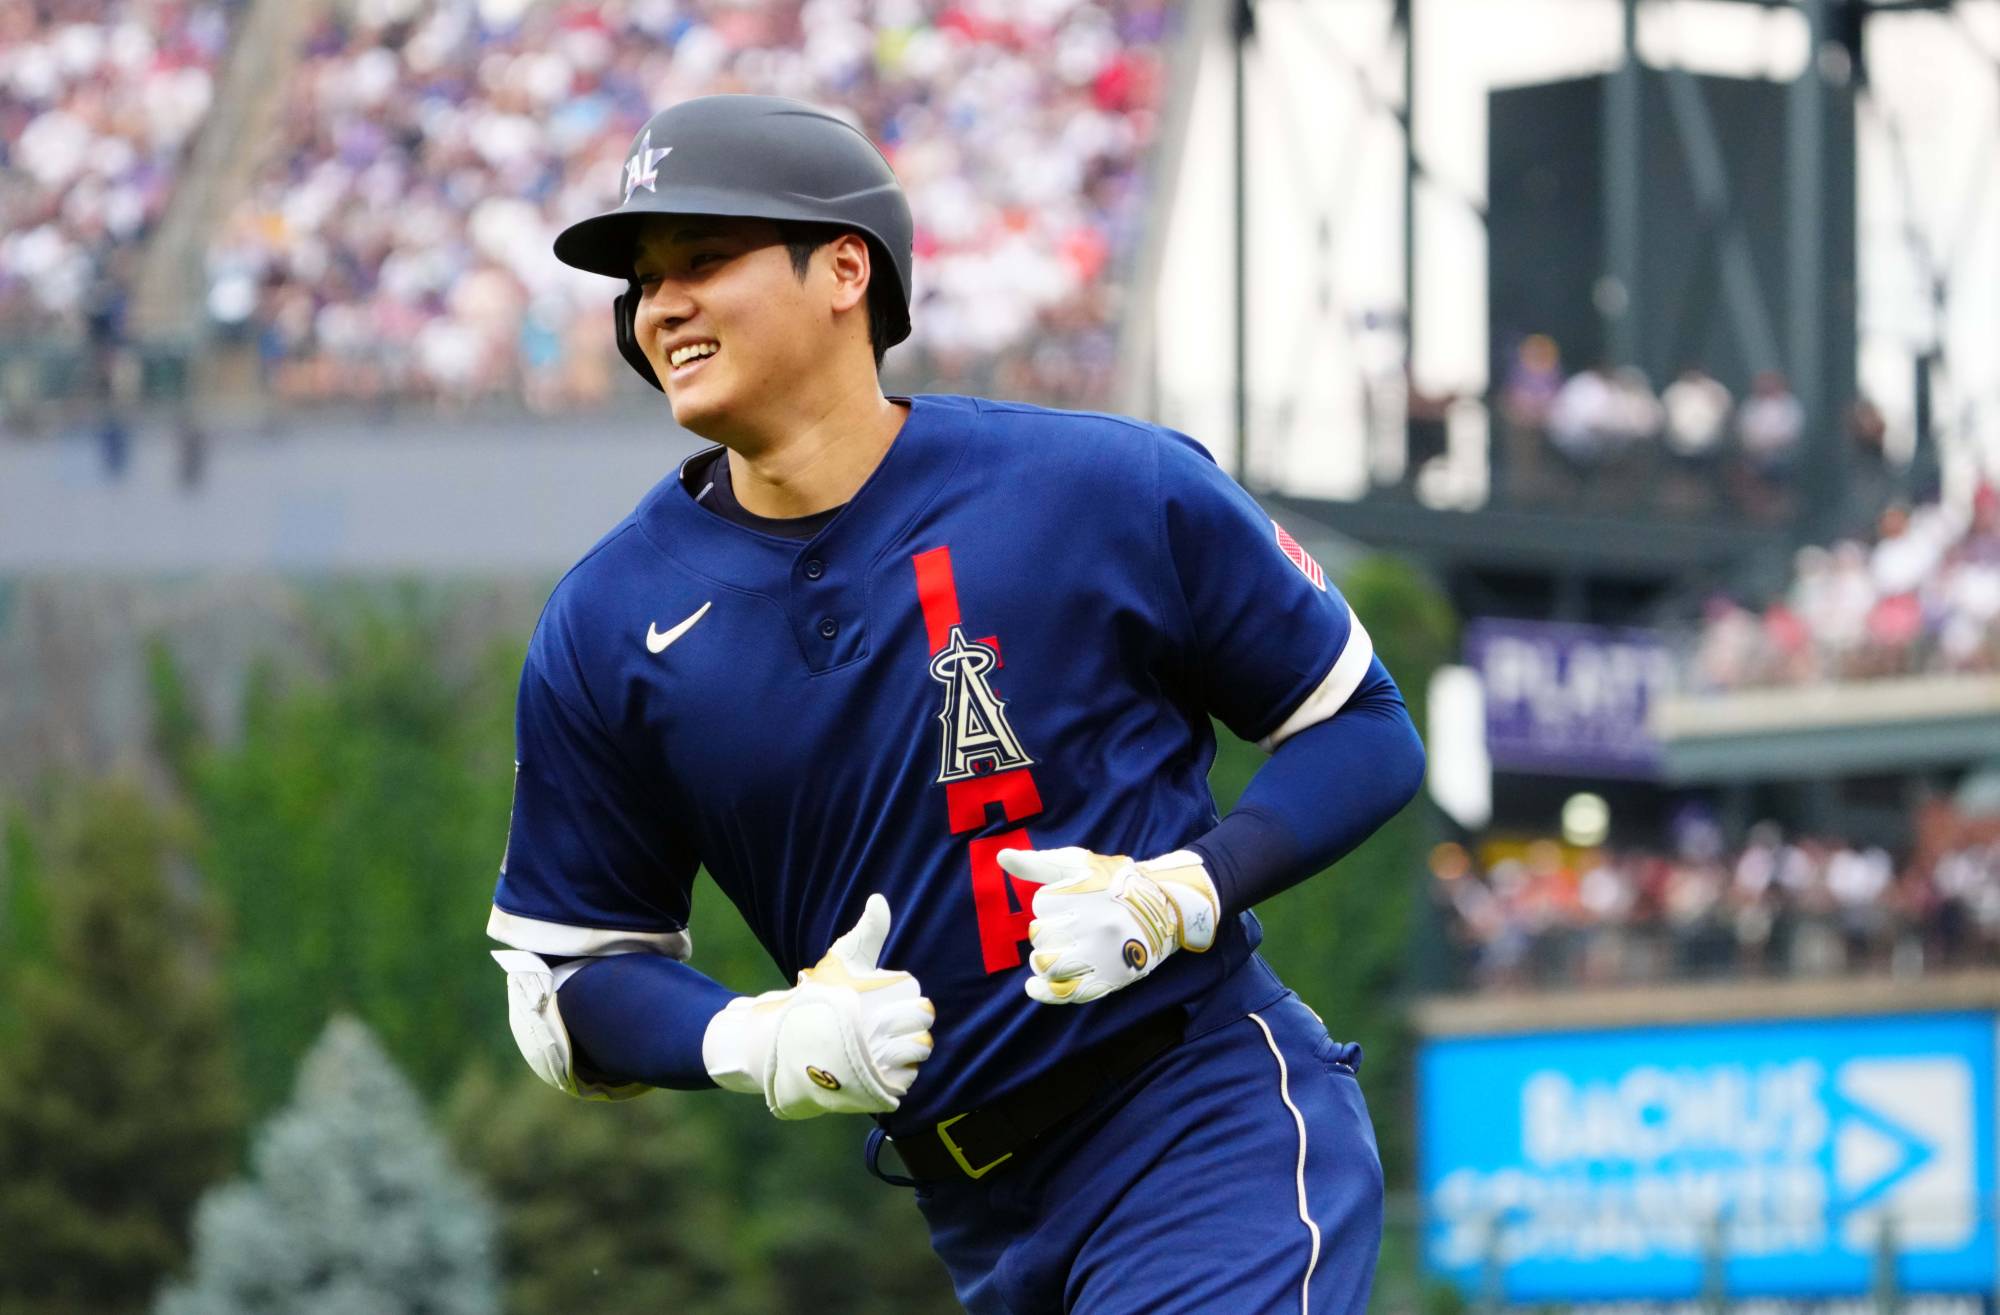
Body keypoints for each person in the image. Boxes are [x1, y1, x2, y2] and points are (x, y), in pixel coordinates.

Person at [484, 94, 1425, 1315]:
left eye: (701, 260)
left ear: (842, 268)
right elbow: (568, 981)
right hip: (972, 1217)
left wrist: (1179, 891)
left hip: (1204, 1123)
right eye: (642, 282)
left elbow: (1359, 727)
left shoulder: (1101, 484)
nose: (657, 306)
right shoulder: (605, 619)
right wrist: (755, 1038)